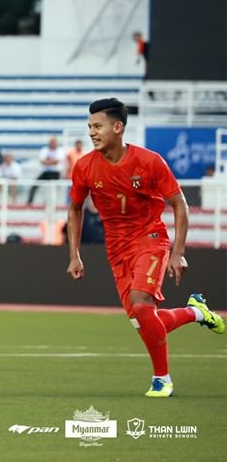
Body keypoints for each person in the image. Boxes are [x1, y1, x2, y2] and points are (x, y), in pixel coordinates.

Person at [67, 98, 224, 398]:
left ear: (118, 127)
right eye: (89, 127)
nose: (92, 132)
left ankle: (162, 379)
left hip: (150, 238)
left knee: (141, 305)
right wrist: (74, 255)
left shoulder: (149, 161)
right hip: (116, 248)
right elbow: (74, 209)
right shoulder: (85, 167)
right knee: (143, 319)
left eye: (97, 126)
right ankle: (196, 313)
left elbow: (181, 206)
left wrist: (177, 252)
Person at [27, 136, 66, 204]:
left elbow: (56, 162)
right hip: (46, 172)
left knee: (51, 189)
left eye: (53, 142)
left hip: (55, 173)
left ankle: (48, 203)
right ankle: (30, 202)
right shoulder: (45, 149)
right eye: (51, 142)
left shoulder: (60, 150)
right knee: (35, 185)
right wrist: (51, 162)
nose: (52, 144)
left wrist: (47, 161)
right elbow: (43, 161)